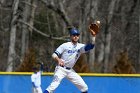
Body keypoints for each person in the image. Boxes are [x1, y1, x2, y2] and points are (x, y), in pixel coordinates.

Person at [44, 28, 96, 93]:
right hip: (61, 69)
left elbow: (90, 46)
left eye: (77, 35)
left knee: (84, 87)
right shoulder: (65, 45)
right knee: (53, 87)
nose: (76, 36)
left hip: (70, 71)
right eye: (74, 35)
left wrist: (93, 36)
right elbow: (54, 55)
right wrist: (58, 60)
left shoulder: (80, 46)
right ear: (71, 36)